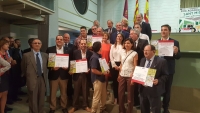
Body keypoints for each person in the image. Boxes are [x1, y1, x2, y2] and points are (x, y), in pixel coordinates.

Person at [138, 45, 168, 113]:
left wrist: (159, 81)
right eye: (144, 50)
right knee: (144, 110)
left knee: (155, 110)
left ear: (153, 51)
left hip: (154, 90)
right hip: (143, 90)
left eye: (147, 50)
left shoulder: (161, 61)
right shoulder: (142, 60)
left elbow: (166, 75)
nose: (145, 52)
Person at [21, 38, 48, 113]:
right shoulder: (26, 55)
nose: (37, 44)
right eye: (35, 43)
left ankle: (40, 111)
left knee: (42, 98)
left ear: (41, 45)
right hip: (32, 79)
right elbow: (23, 68)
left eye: (39, 43)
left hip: (42, 79)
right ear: (32, 45)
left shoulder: (45, 55)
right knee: (33, 99)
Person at [160, 24, 181, 113]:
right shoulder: (156, 42)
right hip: (157, 69)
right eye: (162, 30)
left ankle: (165, 108)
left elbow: (178, 57)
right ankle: (156, 107)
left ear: (169, 31)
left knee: (167, 90)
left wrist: (176, 52)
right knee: (156, 88)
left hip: (169, 69)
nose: (163, 31)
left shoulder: (175, 42)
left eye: (165, 30)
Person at [46, 35, 69, 113]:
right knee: (53, 93)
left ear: (63, 41)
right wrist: (52, 68)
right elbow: (46, 62)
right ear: (56, 40)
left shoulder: (67, 50)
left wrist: (68, 67)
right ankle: (52, 108)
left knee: (64, 93)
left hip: (64, 74)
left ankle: (64, 107)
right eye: (58, 39)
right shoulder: (50, 49)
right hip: (53, 74)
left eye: (61, 39)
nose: (59, 40)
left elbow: (70, 61)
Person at [69, 39, 93, 113]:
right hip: (77, 74)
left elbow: (91, 63)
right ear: (79, 45)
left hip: (86, 74)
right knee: (76, 91)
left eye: (84, 44)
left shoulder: (90, 53)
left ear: (87, 44)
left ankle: (85, 105)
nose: (83, 45)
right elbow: (72, 62)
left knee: (85, 91)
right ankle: (74, 106)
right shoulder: (75, 52)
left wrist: (89, 69)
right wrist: (71, 70)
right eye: (82, 44)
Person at [118, 38, 138, 113]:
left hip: (130, 75)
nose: (126, 44)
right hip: (122, 74)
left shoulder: (134, 53)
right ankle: (121, 111)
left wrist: (133, 77)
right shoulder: (122, 52)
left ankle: (129, 111)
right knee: (121, 94)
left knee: (130, 96)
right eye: (125, 43)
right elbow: (121, 64)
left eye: (128, 43)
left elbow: (135, 66)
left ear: (132, 44)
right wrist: (119, 74)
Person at [129, 29, 148, 107]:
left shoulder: (144, 41)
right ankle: (135, 102)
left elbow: (144, 53)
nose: (130, 36)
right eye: (130, 34)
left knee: (141, 86)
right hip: (133, 66)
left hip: (141, 66)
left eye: (132, 34)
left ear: (136, 34)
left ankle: (143, 103)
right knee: (134, 86)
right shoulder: (130, 42)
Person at [90, 41, 109, 113]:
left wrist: (106, 69)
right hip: (97, 79)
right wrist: (102, 73)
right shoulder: (94, 57)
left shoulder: (99, 56)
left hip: (102, 79)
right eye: (101, 46)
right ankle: (93, 111)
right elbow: (93, 70)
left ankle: (102, 109)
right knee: (96, 96)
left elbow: (102, 67)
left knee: (103, 96)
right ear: (99, 47)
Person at [109, 33, 124, 104]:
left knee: (121, 83)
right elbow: (111, 57)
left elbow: (124, 57)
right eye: (118, 36)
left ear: (122, 38)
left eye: (120, 36)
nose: (119, 37)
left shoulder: (124, 46)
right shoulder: (112, 46)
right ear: (116, 37)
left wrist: (120, 66)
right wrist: (114, 65)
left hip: (121, 65)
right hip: (114, 65)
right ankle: (115, 98)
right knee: (115, 83)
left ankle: (121, 98)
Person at [0, 39, 11, 113]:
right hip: (1, 75)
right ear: (2, 45)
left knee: (5, 93)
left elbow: (9, 63)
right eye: (6, 44)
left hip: (5, 75)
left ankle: (2, 110)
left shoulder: (6, 53)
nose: (8, 45)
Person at [63, 33, 74, 104]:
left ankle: (69, 96)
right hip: (60, 68)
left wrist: (71, 69)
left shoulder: (72, 46)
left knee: (69, 83)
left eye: (68, 38)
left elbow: (73, 58)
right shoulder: (60, 46)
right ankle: (63, 96)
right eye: (65, 37)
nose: (66, 39)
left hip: (69, 68)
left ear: (69, 39)